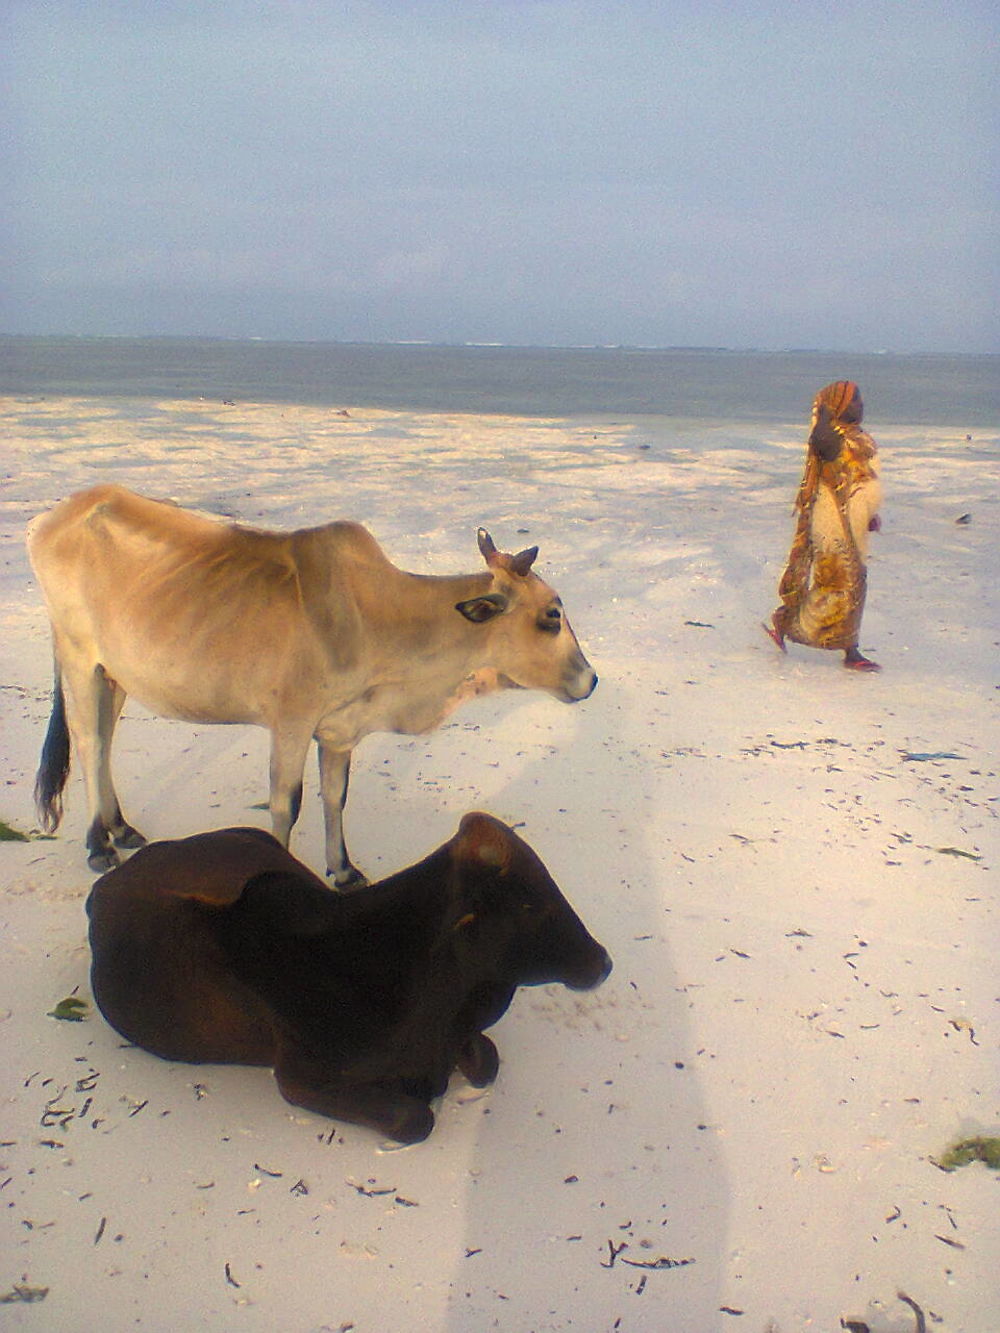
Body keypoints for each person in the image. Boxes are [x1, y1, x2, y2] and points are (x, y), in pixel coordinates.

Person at [765, 380, 882, 671]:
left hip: (854, 521)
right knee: (836, 583)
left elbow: (860, 478)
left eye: (860, 399)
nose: (861, 405)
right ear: (839, 406)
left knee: (855, 584)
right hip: (833, 523)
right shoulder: (829, 437)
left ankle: (849, 647)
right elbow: (820, 440)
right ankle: (788, 624)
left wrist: (870, 512)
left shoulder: (859, 437)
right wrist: (825, 409)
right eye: (854, 400)